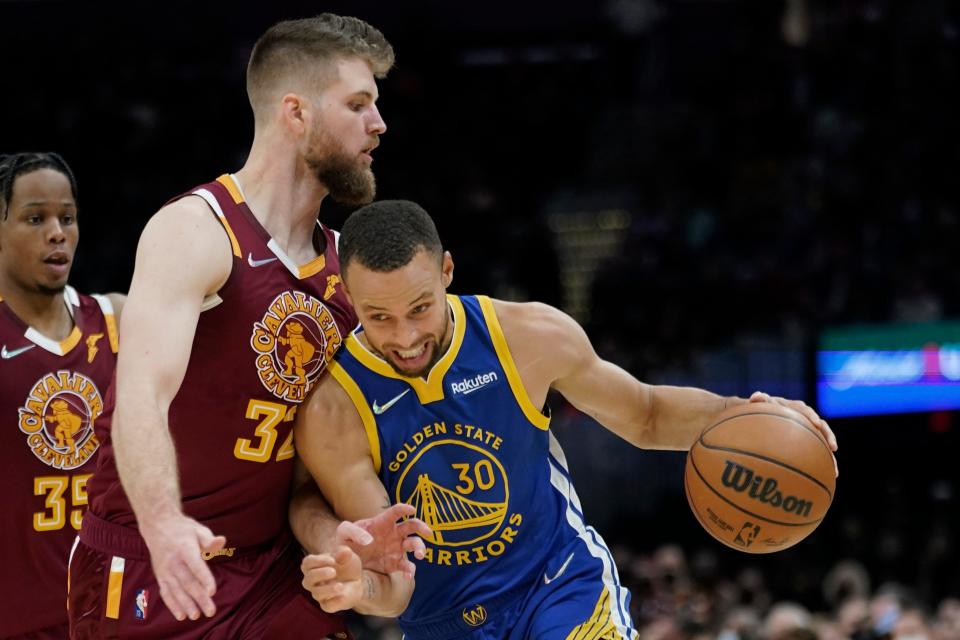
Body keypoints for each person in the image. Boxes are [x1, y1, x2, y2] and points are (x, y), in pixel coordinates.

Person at [293, 200, 839, 639]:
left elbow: (645, 416)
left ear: (447, 271)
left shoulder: (527, 337)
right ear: (349, 296)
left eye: (419, 308)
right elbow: (398, 585)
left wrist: (744, 414)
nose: (405, 337)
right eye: (379, 317)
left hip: (558, 583)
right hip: (440, 620)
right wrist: (359, 588)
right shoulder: (335, 408)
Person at [69, 14, 422, 639]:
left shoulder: (346, 264)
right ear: (297, 113)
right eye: (359, 104)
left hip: (277, 570)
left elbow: (314, 466)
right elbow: (140, 397)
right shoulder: (196, 230)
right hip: (155, 560)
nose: (379, 124)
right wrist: (162, 522)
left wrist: (339, 537)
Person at [0, 152, 124, 638]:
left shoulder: (119, 322)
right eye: (36, 218)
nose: (57, 233)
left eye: (66, 218)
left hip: (114, 614)